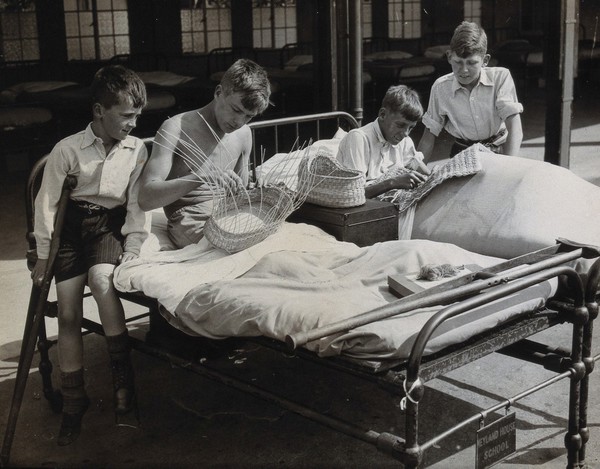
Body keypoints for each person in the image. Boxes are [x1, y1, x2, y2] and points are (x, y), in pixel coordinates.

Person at [32, 65, 148, 446]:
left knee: (102, 281)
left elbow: (136, 205)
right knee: (67, 311)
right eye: (126, 115)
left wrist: (132, 245)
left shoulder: (137, 150)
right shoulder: (67, 150)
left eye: (137, 115)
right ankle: (73, 400)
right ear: (99, 111)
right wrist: (44, 259)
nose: (133, 123)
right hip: (69, 231)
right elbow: (47, 207)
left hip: (106, 227)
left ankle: (122, 380)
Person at [138, 59, 271, 248]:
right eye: (236, 110)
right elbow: (146, 199)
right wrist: (199, 177)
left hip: (229, 214)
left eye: (248, 116)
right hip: (189, 218)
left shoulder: (243, 134)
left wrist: (259, 188)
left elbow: (241, 192)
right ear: (218, 93)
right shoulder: (176, 128)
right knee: (233, 248)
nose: (239, 121)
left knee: (272, 240)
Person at [417, 21, 524, 161]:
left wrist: (510, 163)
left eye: (471, 63)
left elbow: (514, 126)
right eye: (458, 62)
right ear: (449, 57)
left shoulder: (501, 78)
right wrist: (416, 170)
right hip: (462, 153)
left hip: (500, 150)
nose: (464, 70)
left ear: (485, 60)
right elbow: (428, 136)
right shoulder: (440, 87)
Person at [336, 84, 430, 199]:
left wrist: (432, 176)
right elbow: (353, 194)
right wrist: (392, 183)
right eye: (400, 125)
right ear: (383, 114)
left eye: (411, 128)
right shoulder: (359, 139)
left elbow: (416, 164)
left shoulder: (404, 141)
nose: (406, 133)